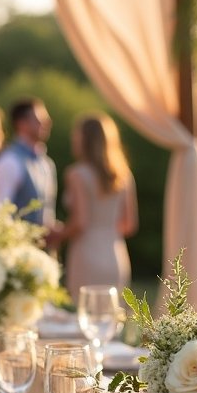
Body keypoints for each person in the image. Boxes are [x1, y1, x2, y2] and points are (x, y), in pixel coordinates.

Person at [59, 112, 138, 304]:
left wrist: (58, 235)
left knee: (85, 314)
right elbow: (129, 225)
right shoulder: (123, 175)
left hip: (86, 253)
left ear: (84, 139)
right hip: (115, 253)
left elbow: (81, 222)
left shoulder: (77, 174)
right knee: (112, 317)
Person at [0, 98, 58, 236]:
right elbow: (0, 211)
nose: (46, 123)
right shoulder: (9, 161)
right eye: (39, 119)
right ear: (21, 124)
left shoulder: (46, 163)